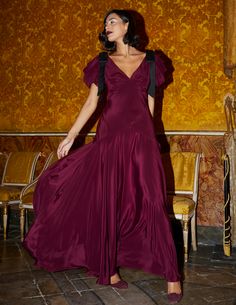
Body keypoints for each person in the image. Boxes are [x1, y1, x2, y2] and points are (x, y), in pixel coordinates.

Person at [23, 9, 182, 304]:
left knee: (153, 201)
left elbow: (150, 104)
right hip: (109, 140)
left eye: (112, 21)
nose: (106, 26)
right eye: (105, 23)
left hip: (141, 141)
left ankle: (172, 275)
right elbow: (91, 102)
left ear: (126, 26)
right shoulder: (102, 63)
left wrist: (150, 139)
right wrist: (71, 135)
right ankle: (109, 272)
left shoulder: (151, 62)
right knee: (109, 204)